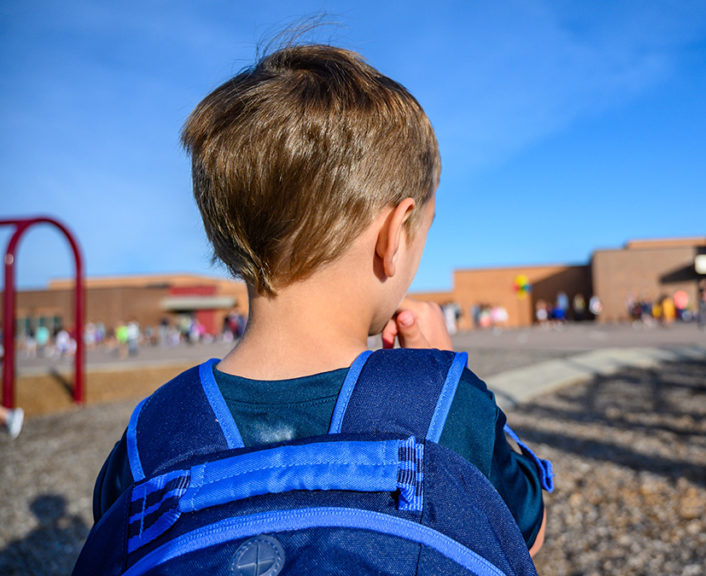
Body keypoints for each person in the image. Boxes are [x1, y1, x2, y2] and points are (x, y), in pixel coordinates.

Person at [89, 43, 547, 555]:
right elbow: (526, 531)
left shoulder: (152, 430)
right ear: (393, 236)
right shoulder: (441, 403)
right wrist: (441, 373)